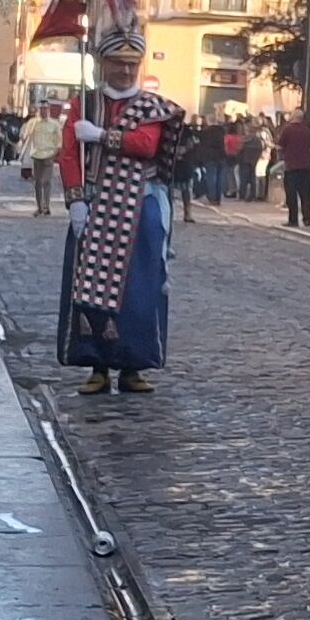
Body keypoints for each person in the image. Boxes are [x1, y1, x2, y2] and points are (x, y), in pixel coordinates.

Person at [63, 48, 176, 396]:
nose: (126, 70)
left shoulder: (152, 107)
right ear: (104, 65)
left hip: (139, 207)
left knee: (140, 289)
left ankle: (133, 365)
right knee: (89, 288)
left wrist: (100, 136)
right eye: (118, 63)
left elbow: (145, 144)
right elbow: (69, 153)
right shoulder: (84, 104)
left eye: (132, 64)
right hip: (95, 204)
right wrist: (76, 200)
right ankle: (96, 365)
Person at [277, 101, 310, 227]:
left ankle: (293, 220)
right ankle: (307, 219)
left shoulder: (287, 130)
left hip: (291, 167)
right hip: (306, 167)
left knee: (291, 195)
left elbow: (280, 146)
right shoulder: (307, 130)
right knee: (305, 195)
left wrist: (283, 155)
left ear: (293, 117)